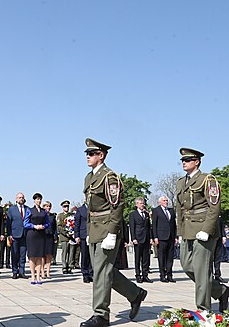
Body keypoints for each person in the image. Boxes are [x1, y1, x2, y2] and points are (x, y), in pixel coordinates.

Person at [80, 138, 147, 327]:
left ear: (101, 155)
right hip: (94, 227)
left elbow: (117, 206)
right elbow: (89, 207)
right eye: (87, 153)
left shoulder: (109, 177)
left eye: (91, 153)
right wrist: (88, 230)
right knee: (103, 270)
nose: (88, 156)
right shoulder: (89, 177)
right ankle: (135, 293)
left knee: (101, 272)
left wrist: (112, 232)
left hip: (106, 228)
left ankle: (101, 315)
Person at [175, 148, 229, 312]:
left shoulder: (207, 180)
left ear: (197, 161)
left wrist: (207, 229)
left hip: (203, 229)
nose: (184, 163)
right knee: (187, 266)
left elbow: (214, 206)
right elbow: (179, 209)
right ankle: (220, 291)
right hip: (187, 230)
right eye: (183, 160)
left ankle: (203, 309)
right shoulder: (180, 182)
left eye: (188, 160)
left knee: (201, 270)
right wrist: (180, 232)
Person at [24, 193, 50, 284]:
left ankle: (38, 276)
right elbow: (25, 223)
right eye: (37, 199)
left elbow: (48, 223)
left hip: (41, 235)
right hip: (32, 234)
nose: (38, 201)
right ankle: (32, 276)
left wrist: (43, 226)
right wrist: (34, 226)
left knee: (39, 256)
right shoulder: (29, 210)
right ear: (34, 200)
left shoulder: (44, 211)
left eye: (40, 199)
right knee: (32, 256)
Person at [151, 196, 177, 283]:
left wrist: (176, 237)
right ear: (160, 202)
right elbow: (154, 225)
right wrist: (155, 237)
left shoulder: (171, 211)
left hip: (171, 237)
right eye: (164, 200)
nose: (166, 202)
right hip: (161, 237)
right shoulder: (156, 210)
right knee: (161, 257)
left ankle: (169, 275)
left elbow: (174, 224)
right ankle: (162, 275)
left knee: (170, 257)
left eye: (167, 200)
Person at [129, 197, 153, 283]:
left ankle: (145, 275)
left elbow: (149, 227)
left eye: (143, 203)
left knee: (146, 258)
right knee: (138, 258)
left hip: (146, 238)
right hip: (138, 239)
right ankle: (138, 275)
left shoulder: (146, 214)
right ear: (137, 204)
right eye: (141, 203)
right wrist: (133, 238)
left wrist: (150, 238)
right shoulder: (133, 214)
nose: (143, 205)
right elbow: (132, 227)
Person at [7, 192, 29, 279]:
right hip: (15, 235)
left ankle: (22, 271)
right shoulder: (12, 209)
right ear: (16, 199)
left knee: (23, 255)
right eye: (19, 197)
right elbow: (8, 223)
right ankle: (15, 271)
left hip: (24, 235)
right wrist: (9, 234)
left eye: (22, 197)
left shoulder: (27, 209)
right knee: (15, 254)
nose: (21, 199)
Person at [74, 202, 93, 283]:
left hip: (93, 234)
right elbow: (77, 224)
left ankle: (91, 273)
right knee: (85, 255)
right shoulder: (80, 210)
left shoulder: (93, 207)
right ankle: (85, 274)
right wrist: (76, 235)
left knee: (91, 255)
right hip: (83, 235)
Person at [56, 200, 76, 274]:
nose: (66, 208)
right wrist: (66, 233)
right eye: (65, 206)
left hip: (72, 237)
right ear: (62, 207)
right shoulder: (60, 216)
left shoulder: (72, 215)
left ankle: (70, 266)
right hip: (64, 237)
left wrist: (72, 233)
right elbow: (59, 227)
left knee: (71, 253)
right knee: (64, 252)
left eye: (67, 206)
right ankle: (64, 267)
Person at [42, 200, 56, 279]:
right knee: (43, 255)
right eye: (46, 206)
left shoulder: (52, 216)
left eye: (49, 206)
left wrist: (55, 236)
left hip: (50, 236)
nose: (48, 207)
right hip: (43, 236)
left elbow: (54, 227)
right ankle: (42, 272)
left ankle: (48, 272)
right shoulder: (42, 215)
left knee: (49, 255)